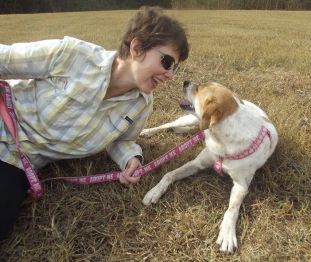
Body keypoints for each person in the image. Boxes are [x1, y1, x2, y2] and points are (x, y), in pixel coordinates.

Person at [0, 6, 189, 240]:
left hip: (17, 161)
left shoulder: (141, 104)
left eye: (175, 67)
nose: (170, 75)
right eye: (167, 62)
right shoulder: (73, 55)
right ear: (137, 48)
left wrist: (130, 159)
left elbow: (122, 140)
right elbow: (5, 59)